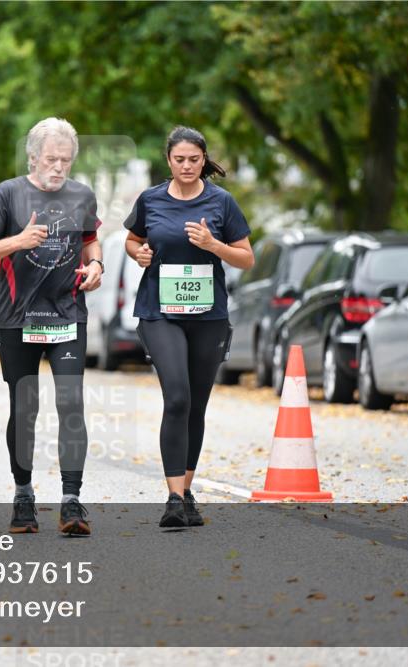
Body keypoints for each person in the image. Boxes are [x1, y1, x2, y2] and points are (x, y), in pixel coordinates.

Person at [0, 117, 103, 535]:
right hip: (18, 318)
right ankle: (23, 495)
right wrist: (18, 242)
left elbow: (89, 240)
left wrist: (96, 264)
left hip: (67, 315)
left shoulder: (82, 196)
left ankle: (71, 502)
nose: (58, 167)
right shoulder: (7, 194)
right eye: (50, 159)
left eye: (65, 159)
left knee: (71, 404)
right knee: (25, 409)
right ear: (33, 157)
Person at [125, 126, 254, 528]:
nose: (186, 166)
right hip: (160, 311)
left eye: (194, 160)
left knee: (196, 404)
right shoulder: (151, 199)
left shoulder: (221, 202)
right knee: (177, 397)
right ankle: (173, 498)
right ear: (169, 160)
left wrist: (214, 246)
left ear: (204, 160)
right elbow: (131, 240)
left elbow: (246, 258)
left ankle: (187, 488)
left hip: (208, 315)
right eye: (179, 159)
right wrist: (139, 254)